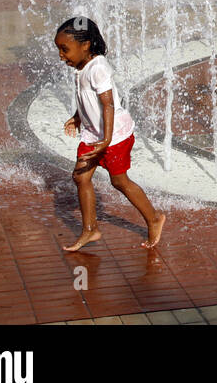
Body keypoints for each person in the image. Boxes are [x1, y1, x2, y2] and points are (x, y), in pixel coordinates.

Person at [55, 18, 165, 252]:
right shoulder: (81, 67)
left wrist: (106, 139)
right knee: (81, 177)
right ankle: (90, 230)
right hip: (94, 133)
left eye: (65, 49)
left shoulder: (98, 68)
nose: (61, 55)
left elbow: (108, 105)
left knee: (119, 181)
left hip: (113, 135)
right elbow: (86, 98)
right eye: (59, 49)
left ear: (85, 45)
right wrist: (77, 116)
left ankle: (154, 218)